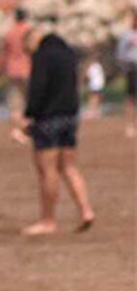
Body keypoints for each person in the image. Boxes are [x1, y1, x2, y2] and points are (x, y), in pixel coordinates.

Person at [20, 22, 95, 235]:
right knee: (69, 166)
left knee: (47, 170)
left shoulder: (43, 56)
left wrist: (29, 115)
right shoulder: (68, 53)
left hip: (48, 118)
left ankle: (48, 220)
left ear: (33, 40)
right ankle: (86, 210)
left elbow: (38, 88)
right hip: (70, 115)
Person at [0, 8, 34, 144]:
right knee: (29, 102)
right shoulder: (30, 31)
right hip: (28, 69)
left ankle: (16, 130)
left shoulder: (10, 32)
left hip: (12, 69)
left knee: (15, 104)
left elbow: (4, 53)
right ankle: (25, 131)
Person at [119, 10, 137, 139]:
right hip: (132, 68)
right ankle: (129, 125)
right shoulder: (127, 36)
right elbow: (120, 54)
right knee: (131, 98)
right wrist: (125, 67)